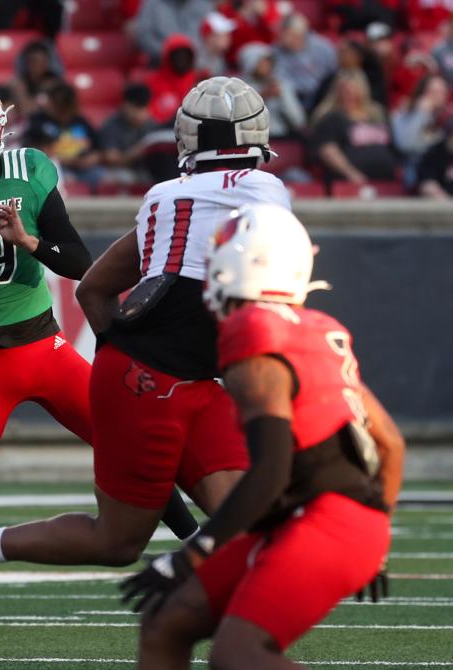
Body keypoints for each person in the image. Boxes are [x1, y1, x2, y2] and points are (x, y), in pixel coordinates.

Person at [0, 77, 292, 628]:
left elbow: (92, 287)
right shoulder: (268, 196)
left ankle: (228, 614)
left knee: (239, 513)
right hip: (165, 381)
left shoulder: (161, 198)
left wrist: (123, 363)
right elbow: (264, 307)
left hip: (161, 376)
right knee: (123, 539)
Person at [0, 77, 198, 658]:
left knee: (130, 445)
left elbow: (76, 259)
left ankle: (202, 544)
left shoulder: (32, 170)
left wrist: (29, 240)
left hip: (45, 352)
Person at [124, 203, 405, 670]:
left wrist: (193, 552)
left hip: (326, 517)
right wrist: (375, 544)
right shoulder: (320, 329)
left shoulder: (251, 329)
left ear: (241, 262)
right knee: (165, 623)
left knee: (237, 657)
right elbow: (391, 444)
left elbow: (270, 472)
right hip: (321, 518)